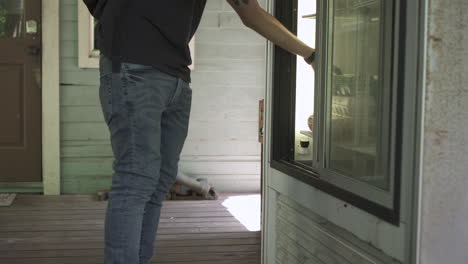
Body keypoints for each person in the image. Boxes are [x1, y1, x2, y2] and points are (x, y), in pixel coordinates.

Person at [83, 0, 316, 263]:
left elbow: (250, 12)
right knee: (135, 179)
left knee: (159, 182)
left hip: (176, 78)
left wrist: (310, 54)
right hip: (132, 67)